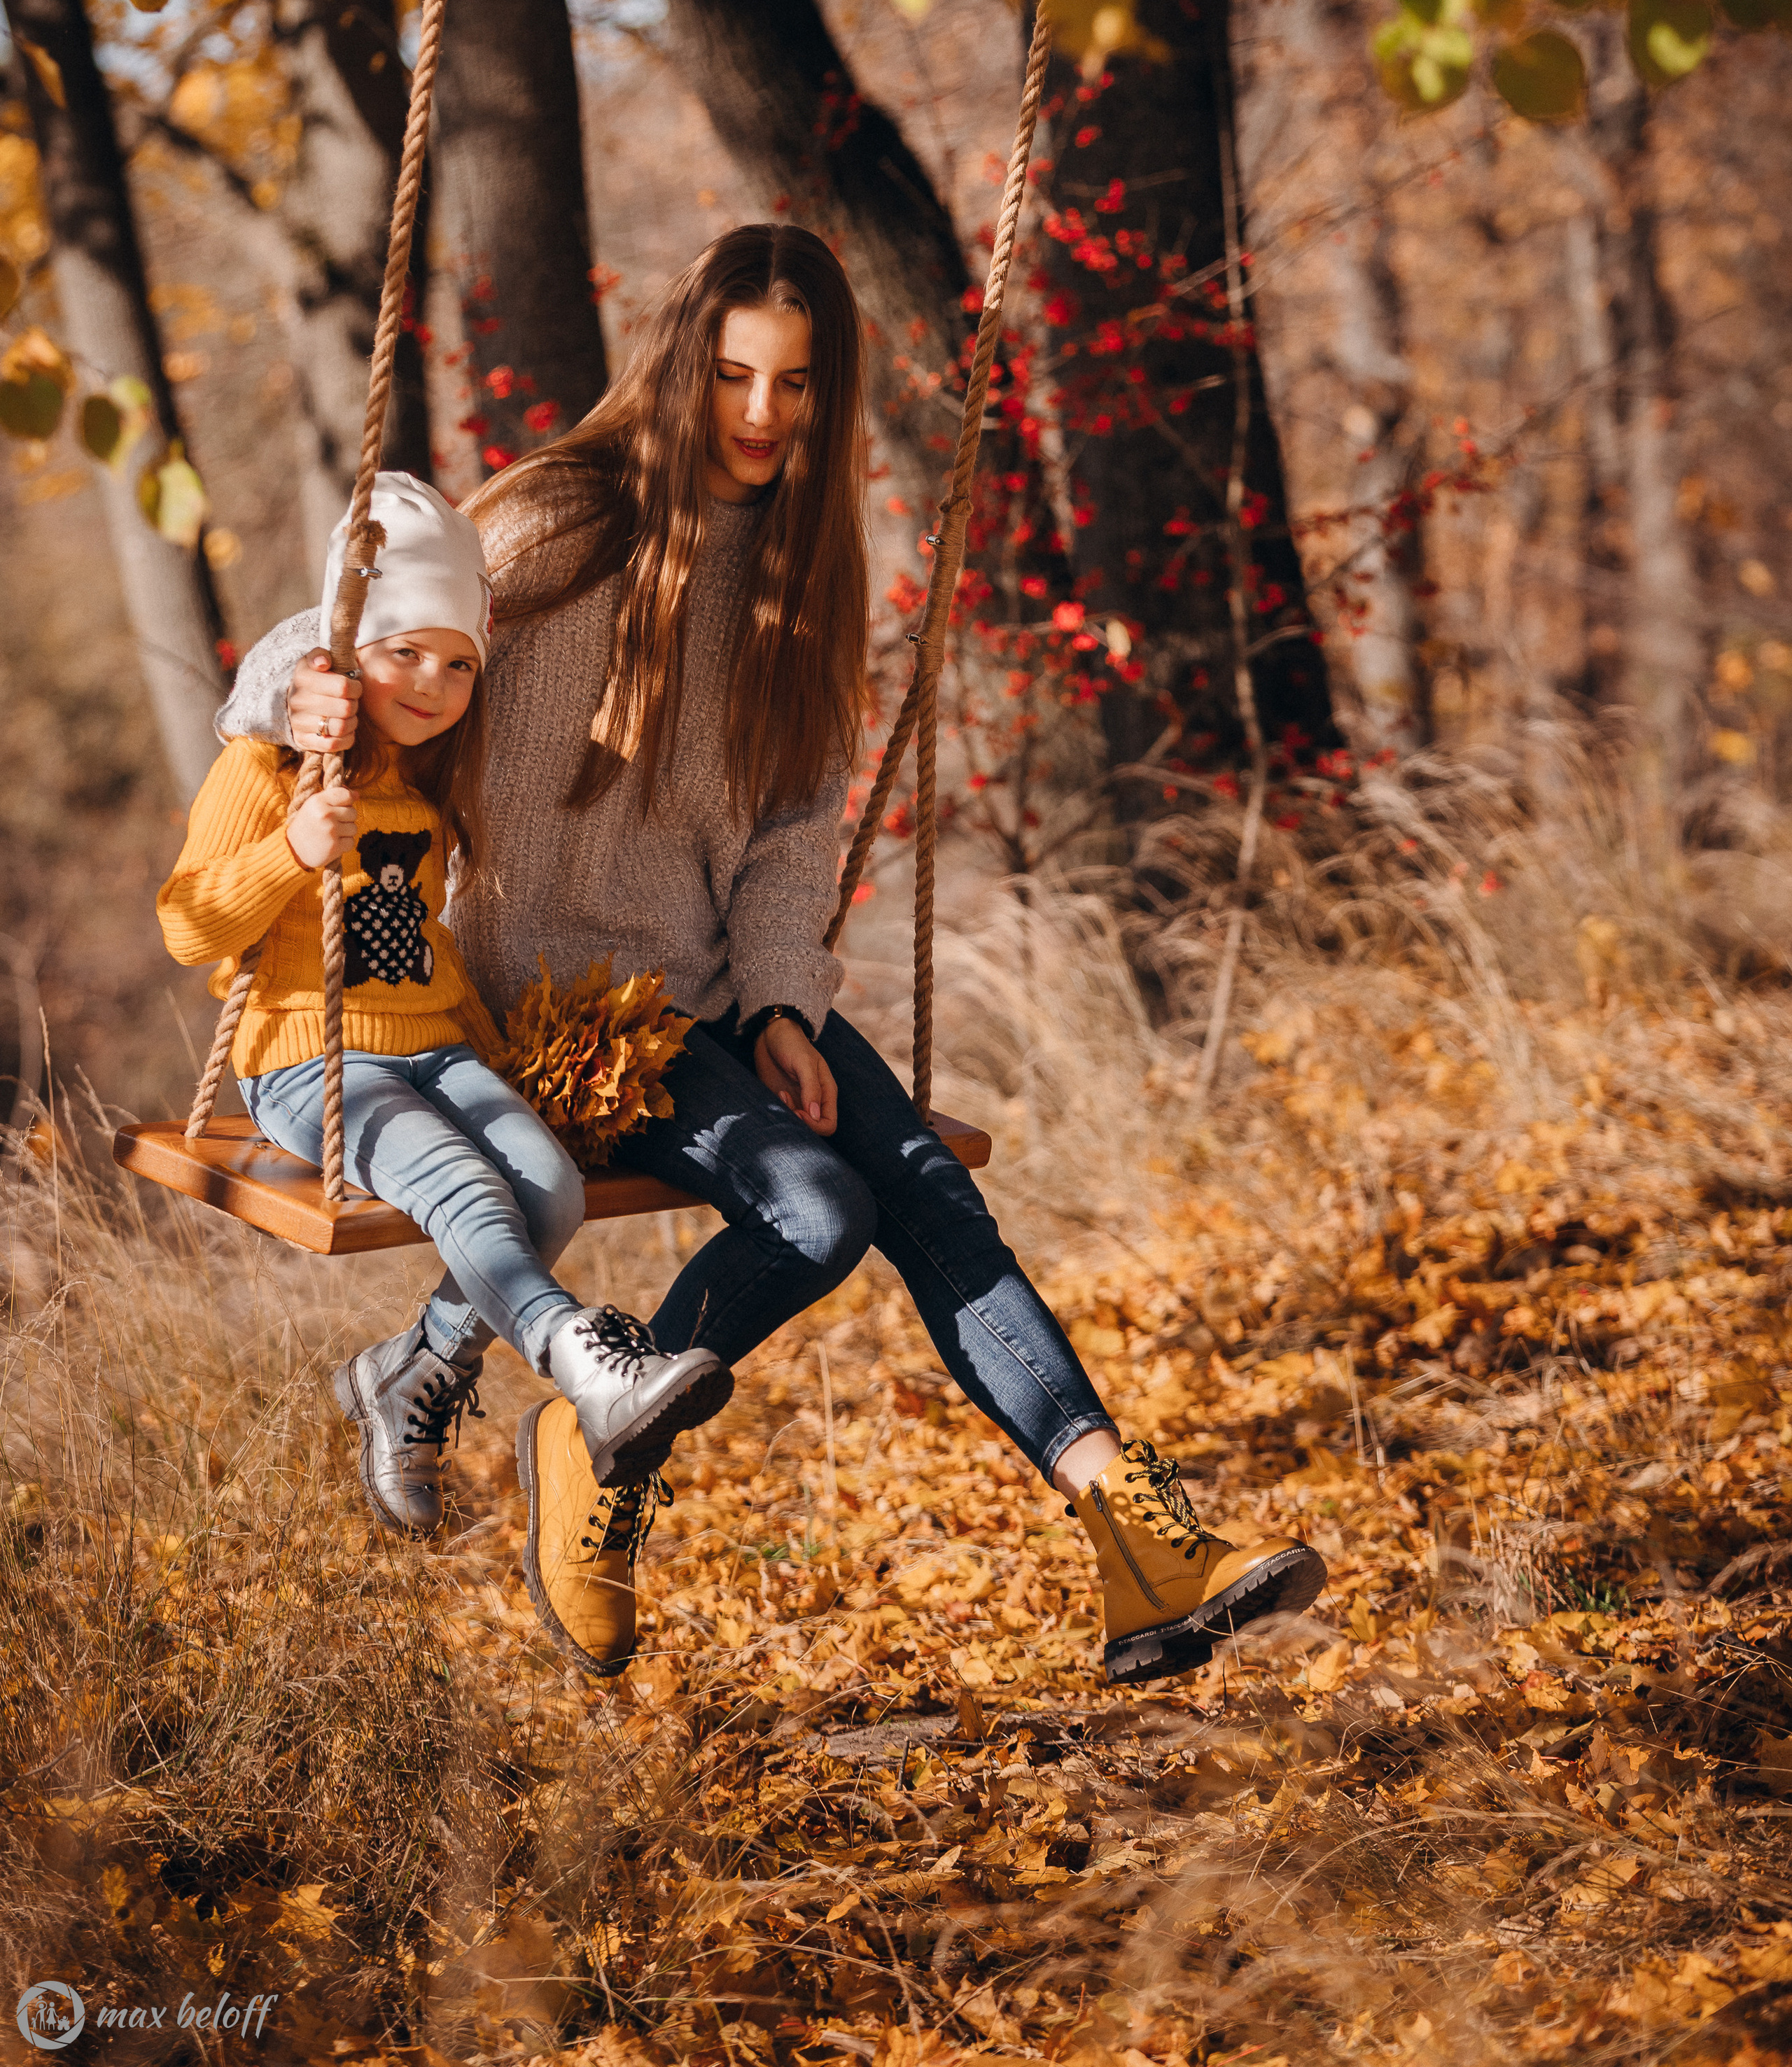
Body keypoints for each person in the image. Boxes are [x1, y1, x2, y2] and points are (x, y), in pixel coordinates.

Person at [219, 231, 1326, 1689]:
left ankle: (1137, 1545)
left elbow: (795, 833)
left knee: (925, 1187)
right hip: (564, 1010)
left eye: (793, 387)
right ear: (683, 366)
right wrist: (287, 694)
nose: (758, 413)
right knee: (817, 1214)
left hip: (719, 985)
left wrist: (792, 1003)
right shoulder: (558, 522)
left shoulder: (805, 576)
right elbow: (360, 631)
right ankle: (590, 1440)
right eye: (732, 374)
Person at [160, 470, 731, 1543]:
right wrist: (291, 851)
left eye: (458, 661)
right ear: (345, 656)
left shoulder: (430, 781)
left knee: (550, 1190)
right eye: (401, 653)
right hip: (310, 1066)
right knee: (467, 1187)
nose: (430, 681)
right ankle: (586, 1368)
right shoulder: (271, 764)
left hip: (434, 1048)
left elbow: (426, 947)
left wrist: (493, 1050)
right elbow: (187, 924)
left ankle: (411, 1370)